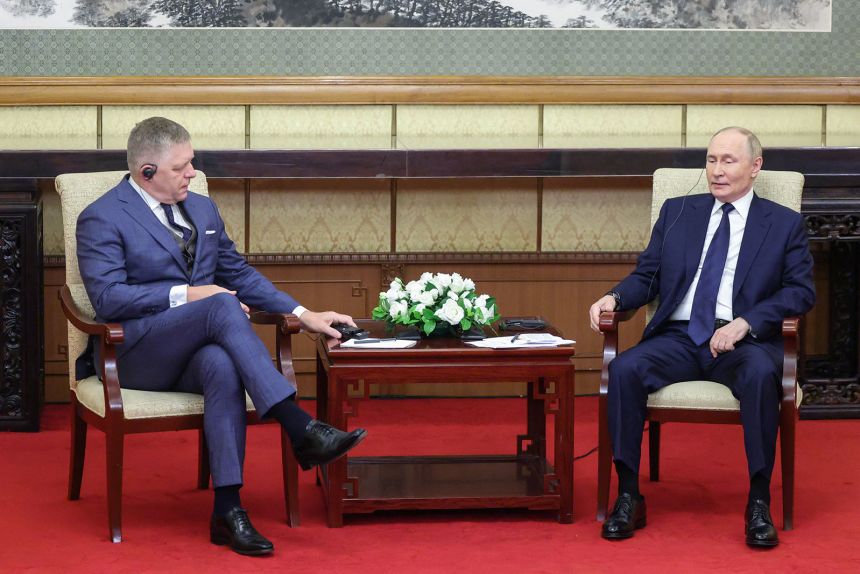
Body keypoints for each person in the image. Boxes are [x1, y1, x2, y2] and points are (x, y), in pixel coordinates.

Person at [76, 116, 367, 556]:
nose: (193, 173)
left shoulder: (202, 208)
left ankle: (227, 511)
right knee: (219, 303)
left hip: (193, 354)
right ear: (147, 173)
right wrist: (191, 293)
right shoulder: (101, 217)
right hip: (133, 354)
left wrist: (303, 313)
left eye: (192, 162)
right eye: (182, 167)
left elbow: (237, 273)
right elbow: (108, 299)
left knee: (222, 364)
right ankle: (298, 426)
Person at [588, 126, 814, 548]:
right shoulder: (678, 212)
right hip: (679, 336)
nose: (717, 170)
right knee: (624, 369)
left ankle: (759, 501)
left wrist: (746, 322)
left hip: (743, 341)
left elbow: (801, 291)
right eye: (711, 160)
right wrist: (614, 297)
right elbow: (648, 276)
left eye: (728, 161)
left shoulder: (783, 225)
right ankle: (629, 495)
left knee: (762, 375)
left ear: (755, 167)